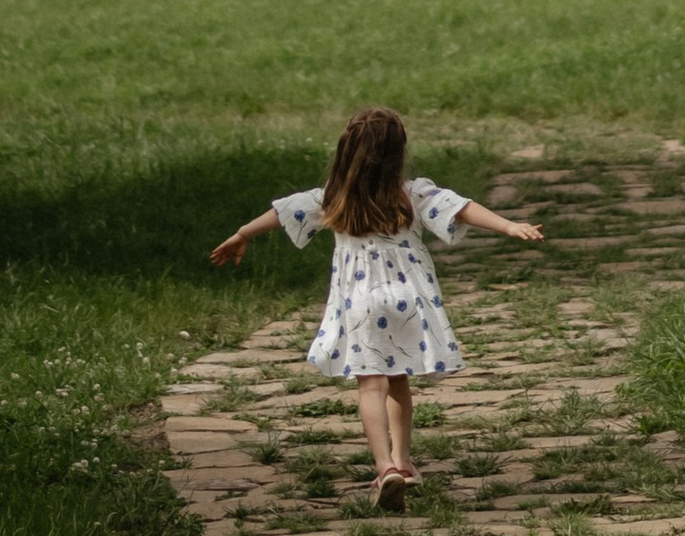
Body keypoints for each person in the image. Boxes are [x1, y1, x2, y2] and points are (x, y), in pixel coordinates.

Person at [210, 105, 543, 512]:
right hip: (408, 297)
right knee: (399, 377)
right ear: (398, 152)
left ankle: (384, 467)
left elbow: (282, 213)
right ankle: (404, 463)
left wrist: (241, 234)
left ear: (345, 150)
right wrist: (509, 225)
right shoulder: (411, 192)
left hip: (361, 302)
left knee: (371, 384)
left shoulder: (332, 197)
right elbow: (460, 207)